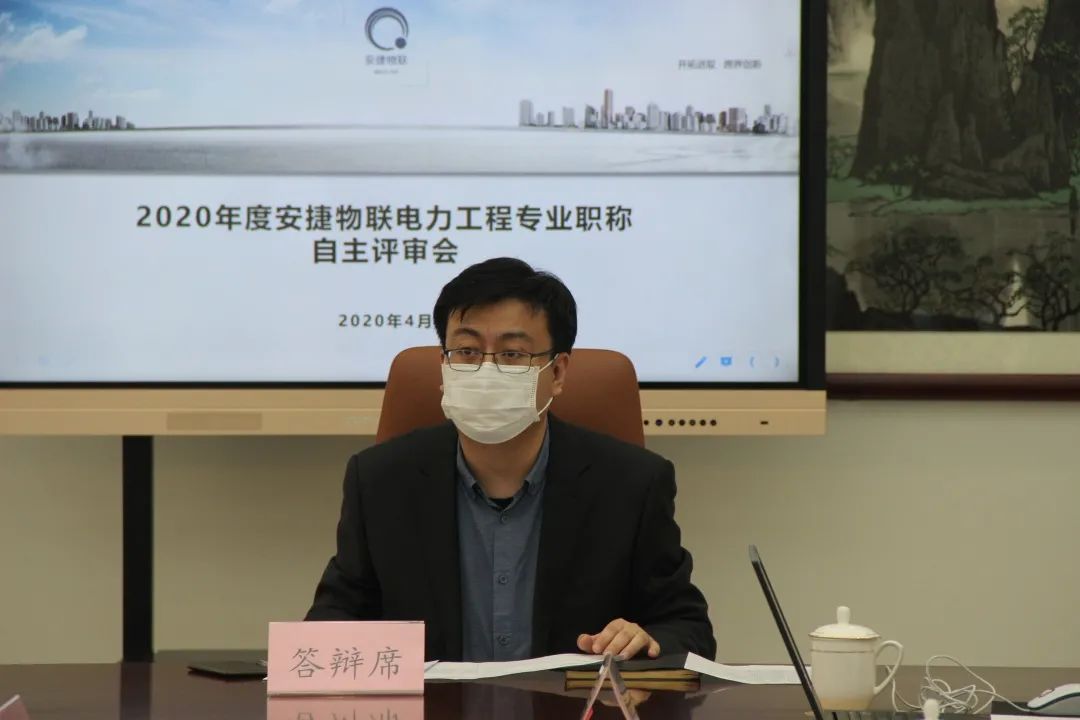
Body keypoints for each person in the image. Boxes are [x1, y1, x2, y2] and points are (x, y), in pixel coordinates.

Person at [305, 257, 715, 662]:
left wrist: (645, 641)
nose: (486, 370)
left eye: (512, 354)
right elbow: (333, 619)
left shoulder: (632, 484)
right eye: (466, 351)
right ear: (444, 366)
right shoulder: (380, 480)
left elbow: (687, 627)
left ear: (558, 373)